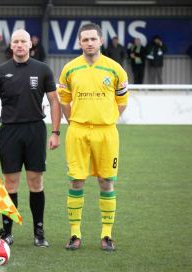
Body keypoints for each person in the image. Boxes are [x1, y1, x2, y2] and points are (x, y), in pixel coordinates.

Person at [0, 29, 61, 248]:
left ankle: (39, 232)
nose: (19, 45)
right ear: (11, 45)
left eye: (23, 41)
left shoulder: (43, 69)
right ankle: (7, 232)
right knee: (11, 183)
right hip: (9, 131)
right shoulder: (0, 72)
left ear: (30, 45)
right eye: (15, 41)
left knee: (36, 182)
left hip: (36, 130)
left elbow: (54, 101)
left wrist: (56, 132)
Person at [57, 23, 129, 251]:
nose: (89, 43)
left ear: (101, 41)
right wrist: (76, 121)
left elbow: (122, 103)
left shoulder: (115, 69)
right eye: (85, 39)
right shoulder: (69, 69)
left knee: (106, 181)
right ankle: (74, 234)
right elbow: (64, 101)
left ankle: (107, 235)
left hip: (106, 132)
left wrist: (104, 119)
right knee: (76, 180)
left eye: (93, 39)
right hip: (77, 131)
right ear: (79, 43)